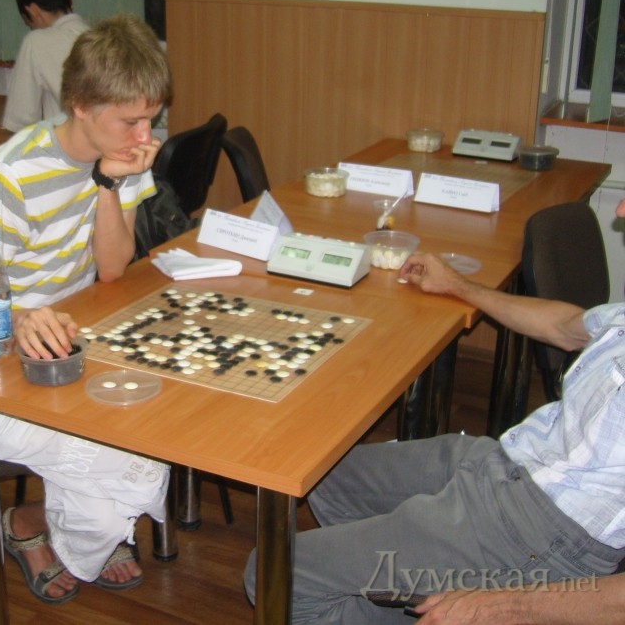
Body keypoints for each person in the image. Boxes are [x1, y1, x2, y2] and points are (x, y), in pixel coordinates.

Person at [243, 230, 625, 624]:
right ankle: (404, 575)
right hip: (505, 463)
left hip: (541, 536)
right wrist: (458, 286)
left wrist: (507, 605)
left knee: (274, 574)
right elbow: (564, 325)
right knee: (321, 475)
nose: (620, 210)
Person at [0, 14, 171, 604]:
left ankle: (35, 520)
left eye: (152, 118)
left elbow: (112, 268)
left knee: (157, 434)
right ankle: (36, 525)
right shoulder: (11, 174)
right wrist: (21, 319)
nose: (146, 135)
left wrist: (108, 185)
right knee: (140, 471)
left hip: (66, 349)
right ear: (81, 105)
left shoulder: (122, 157)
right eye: (131, 120)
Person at [1, 0, 90, 132]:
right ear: (70, 2)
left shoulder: (36, 42)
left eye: (29, 23)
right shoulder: (98, 36)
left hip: (69, 144)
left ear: (33, 11)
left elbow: (21, 119)